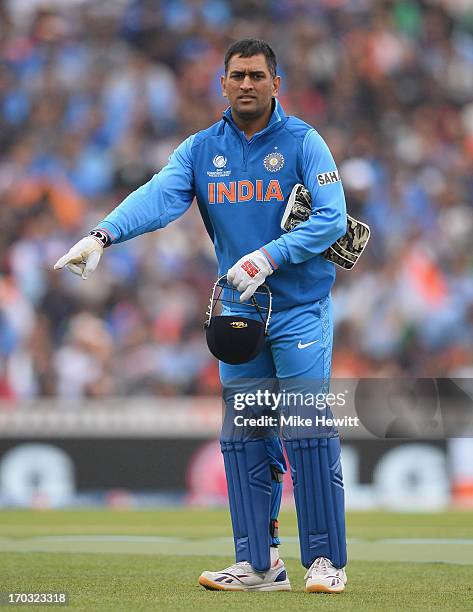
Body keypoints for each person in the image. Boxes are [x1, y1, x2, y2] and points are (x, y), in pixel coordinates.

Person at [54, 38, 348, 593]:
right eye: (236, 75)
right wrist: (101, 234)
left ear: (275, 83)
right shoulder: (200, 149)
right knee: (243, 436)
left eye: (257, 75)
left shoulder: (305, 142)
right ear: (222, 83)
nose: (246, 84)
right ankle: (260, 566)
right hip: (240, 314)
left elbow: (333, 221)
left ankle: (326, 564)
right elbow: (159, 195)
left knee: (307, 429)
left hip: (300, 309)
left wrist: (268, 256)